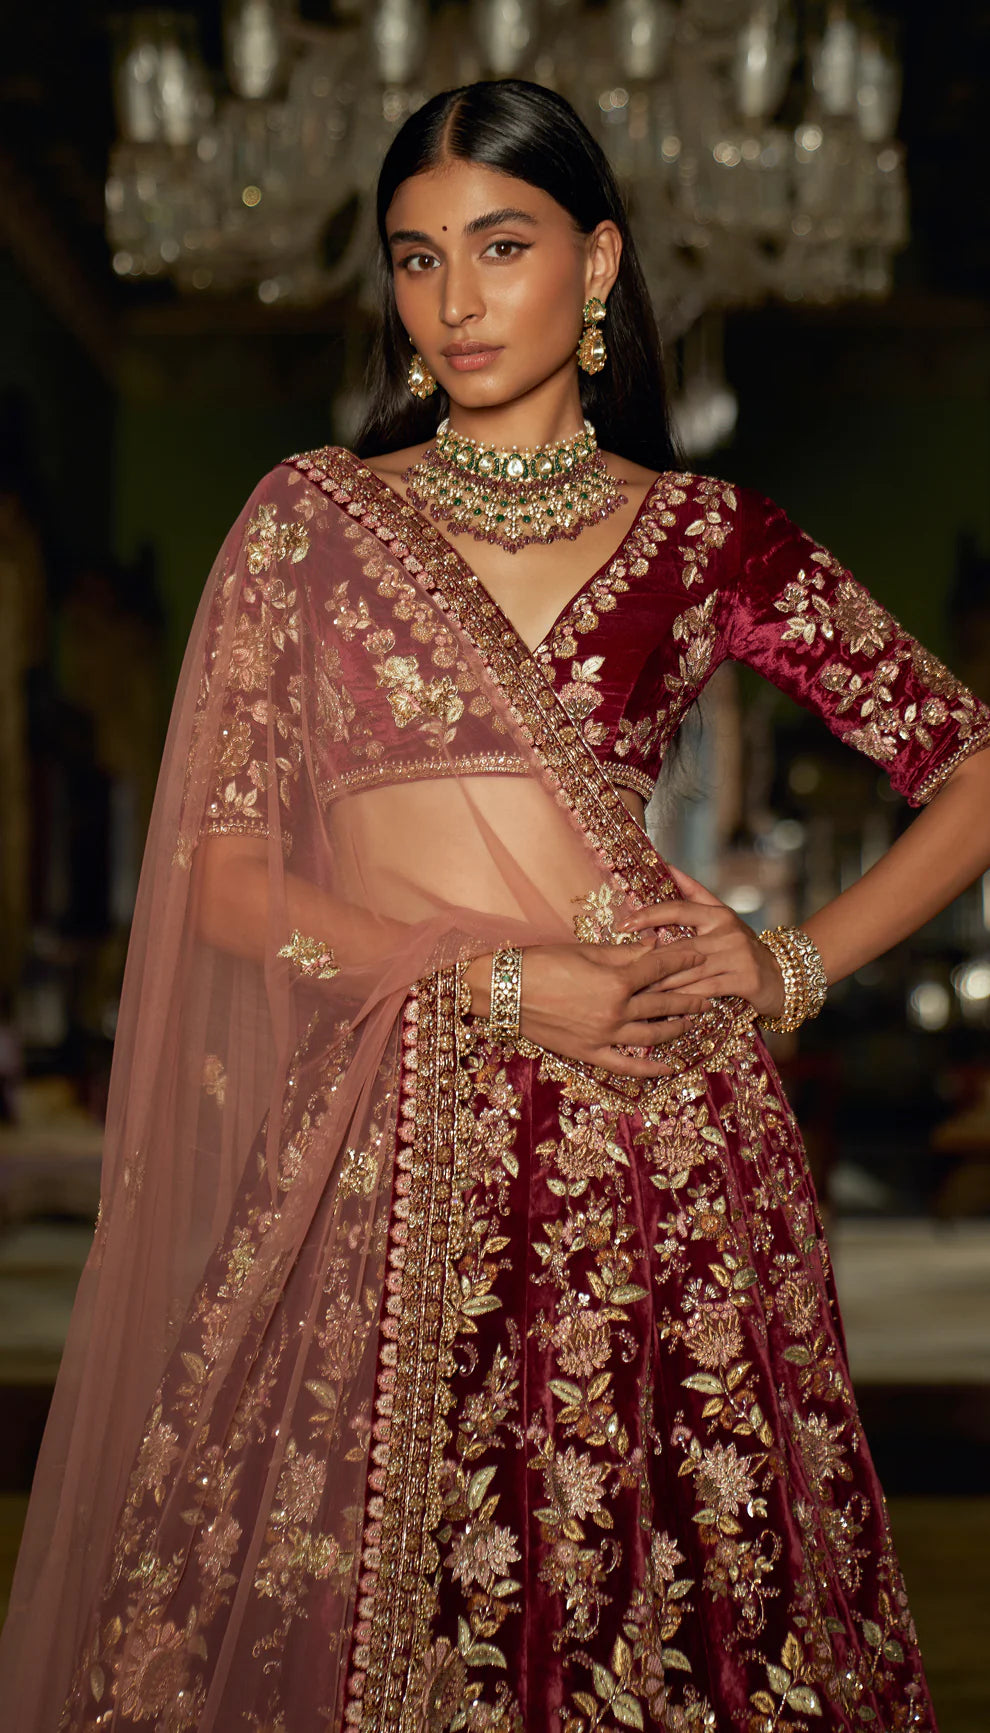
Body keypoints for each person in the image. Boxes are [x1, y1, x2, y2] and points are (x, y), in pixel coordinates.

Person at [3, 78, 989, 1733]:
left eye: (502, 246)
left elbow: (967, 761)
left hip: (660, 1160)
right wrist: (482, 979)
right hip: (373, 1142)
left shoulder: (704, 540)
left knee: (660, 1619)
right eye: (413, 257)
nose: (454, 301)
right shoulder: (311, 526)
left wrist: (787, 961)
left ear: (595, 265)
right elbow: (229, 882)